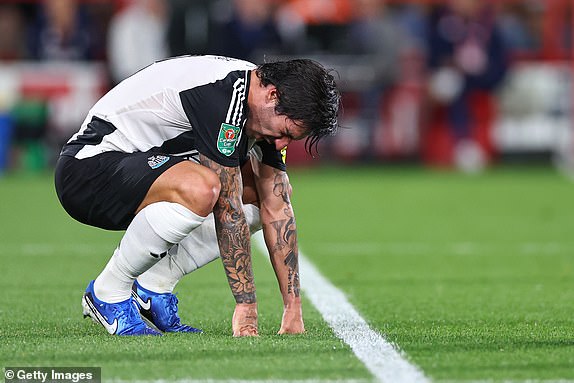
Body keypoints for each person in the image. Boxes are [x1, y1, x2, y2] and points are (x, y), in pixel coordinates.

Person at [54, 55, 341, 336]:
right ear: (273, 95)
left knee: (258, 194)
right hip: (87, 171)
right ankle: (109, 291)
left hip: (136, 170)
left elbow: (277, 206)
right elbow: (228, 211)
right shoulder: (222, 96)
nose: (282, 143)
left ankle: (153, 288)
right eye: (286, 132)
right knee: (204, 187)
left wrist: (293, 308)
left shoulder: (257, 102)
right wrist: (246, 305)